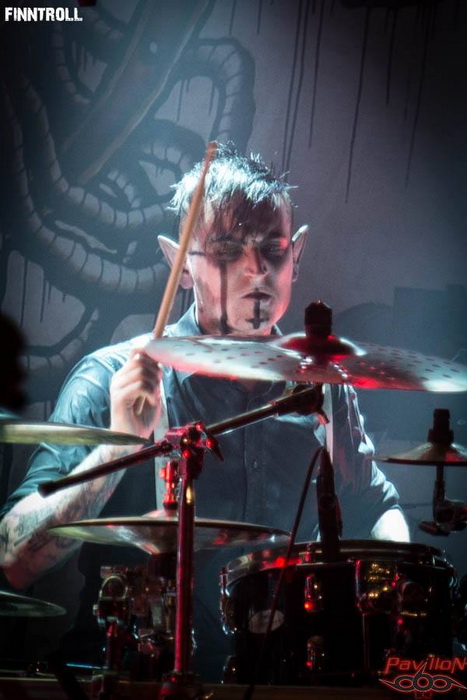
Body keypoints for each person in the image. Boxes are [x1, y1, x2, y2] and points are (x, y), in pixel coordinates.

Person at [0, 143, 409, 679]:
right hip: (134, 680)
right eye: (226, 250)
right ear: (181, 264)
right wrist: (114, 449)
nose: (256, 270)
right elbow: (14, 560)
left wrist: (397, 598)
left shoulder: (323, 388)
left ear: (297, 255)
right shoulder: (111, 378)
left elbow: (376, 507)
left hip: (285, 680)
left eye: (273, 249)